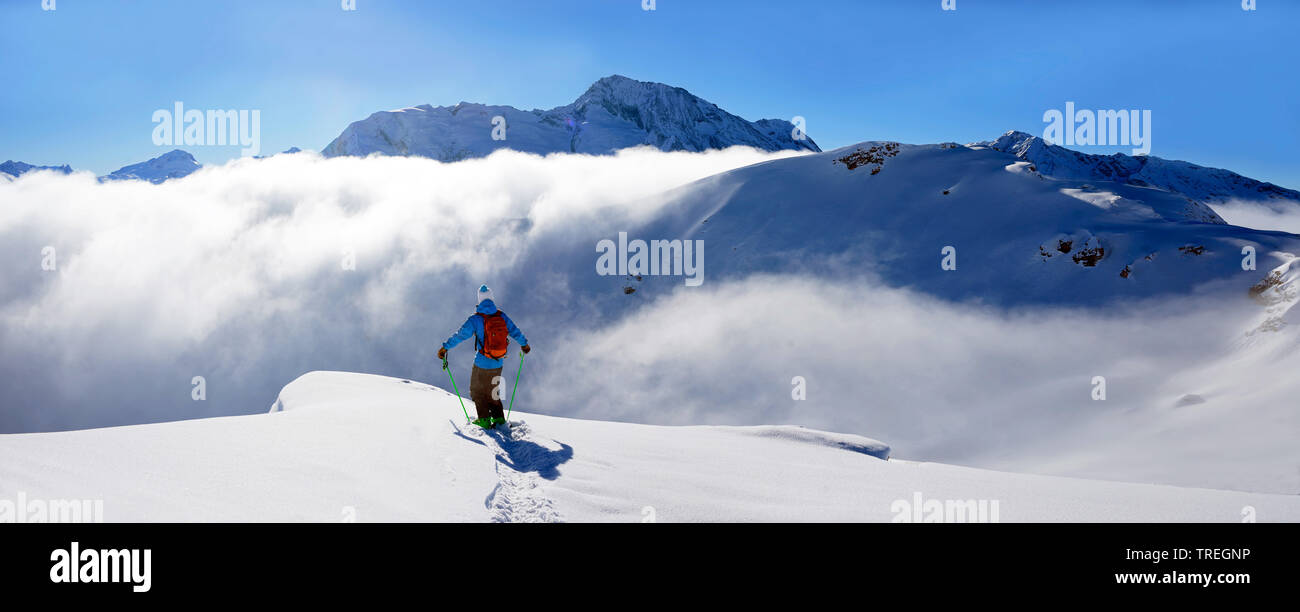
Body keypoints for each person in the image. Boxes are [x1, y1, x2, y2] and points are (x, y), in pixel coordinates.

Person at [438, 284, 530, 429]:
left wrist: (445, 347)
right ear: (492, 299)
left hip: (482, 362)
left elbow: (460, 335)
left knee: (477, 390)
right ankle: (499, 419)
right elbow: (515, 331)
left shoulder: (475, 319)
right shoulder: (501, 316)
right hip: (498, 362)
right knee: (493, 390)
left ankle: (484, 420)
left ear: (479, 300)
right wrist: (524, 345)